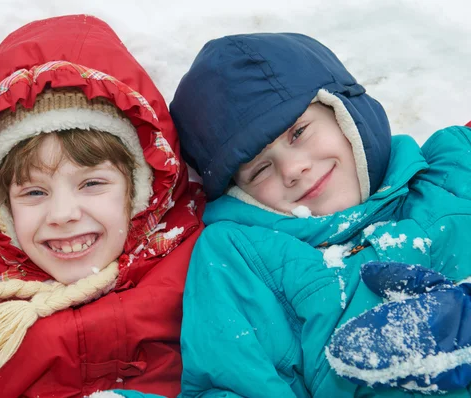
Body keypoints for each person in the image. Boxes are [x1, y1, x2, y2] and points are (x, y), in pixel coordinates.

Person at [0, 15, 204, 398]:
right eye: (33, 192)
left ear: (141, 188)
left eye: (92, 183)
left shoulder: (206, 265)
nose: (63, 214)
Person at [169, 32, 471, 397]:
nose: (293, 169)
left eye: (298, 132)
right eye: (259, 169)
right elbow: (230, 384)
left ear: (345, 113)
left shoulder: (456, 166)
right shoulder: (240, 259)